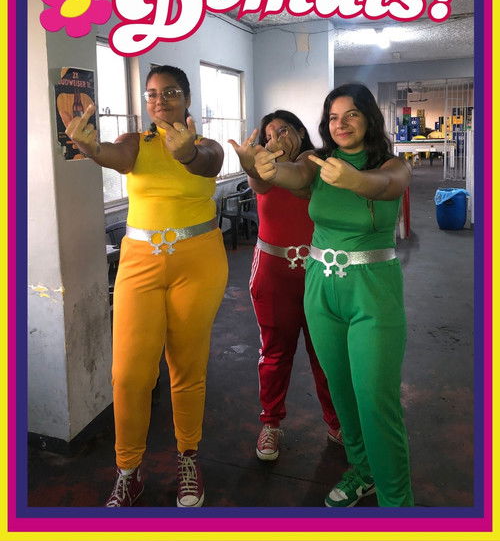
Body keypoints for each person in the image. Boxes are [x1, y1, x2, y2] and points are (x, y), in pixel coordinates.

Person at [65, 65, 228, 508]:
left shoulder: (206, 145)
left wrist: (187, 154)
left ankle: (188, 457)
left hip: (199, 262)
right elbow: (117, 156)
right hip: (140, 262)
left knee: (187, 366)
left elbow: (209, 163)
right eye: (152, 93)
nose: (160, 100)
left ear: (187, 98)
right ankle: (128, 469)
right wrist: (91, 147)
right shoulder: (136, 142)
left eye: (170, 92)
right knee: (129, 374)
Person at [254, 84, 413, 507]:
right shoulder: (317, 163)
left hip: (372, 293)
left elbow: (387, 185)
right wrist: (268, 169)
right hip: (320, 288)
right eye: (333, 117)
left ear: (369, 119)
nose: (341, 124)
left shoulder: (393, 164)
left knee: (376, 401)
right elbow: (293, 176)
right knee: (342, 394)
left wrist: (355, 179)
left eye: (351, 114)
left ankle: (398, 504)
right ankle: (363, 471)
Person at [229, 110, 342, 462]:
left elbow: (302, 179)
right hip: (272, 272)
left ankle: (337, 421)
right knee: (275, 352)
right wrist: (253, 167)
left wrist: (277, 166)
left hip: (318, 271)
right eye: (269, 134)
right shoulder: (263, 168)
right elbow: (262, 183)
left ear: (300, 131)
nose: (276, 138)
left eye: (284, 130)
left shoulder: (316, 161)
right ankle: (271, 422)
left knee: (325, 352)